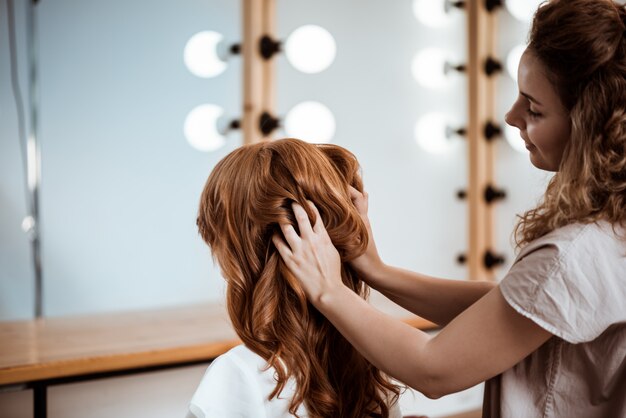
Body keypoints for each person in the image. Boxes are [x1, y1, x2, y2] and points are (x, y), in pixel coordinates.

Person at [272, 0, 626, 417]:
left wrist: (328, 290)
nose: (511, 117)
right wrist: (375, 270)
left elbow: (434, 370)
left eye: (533, 108)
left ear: (590, 126)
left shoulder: (574, 253)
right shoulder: (608, 228)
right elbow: (512, 308)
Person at [189, 138, 404, 418]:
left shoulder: (237, 375)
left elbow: (437, 367)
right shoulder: (374, 360)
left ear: (236, 255)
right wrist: (376, 269)